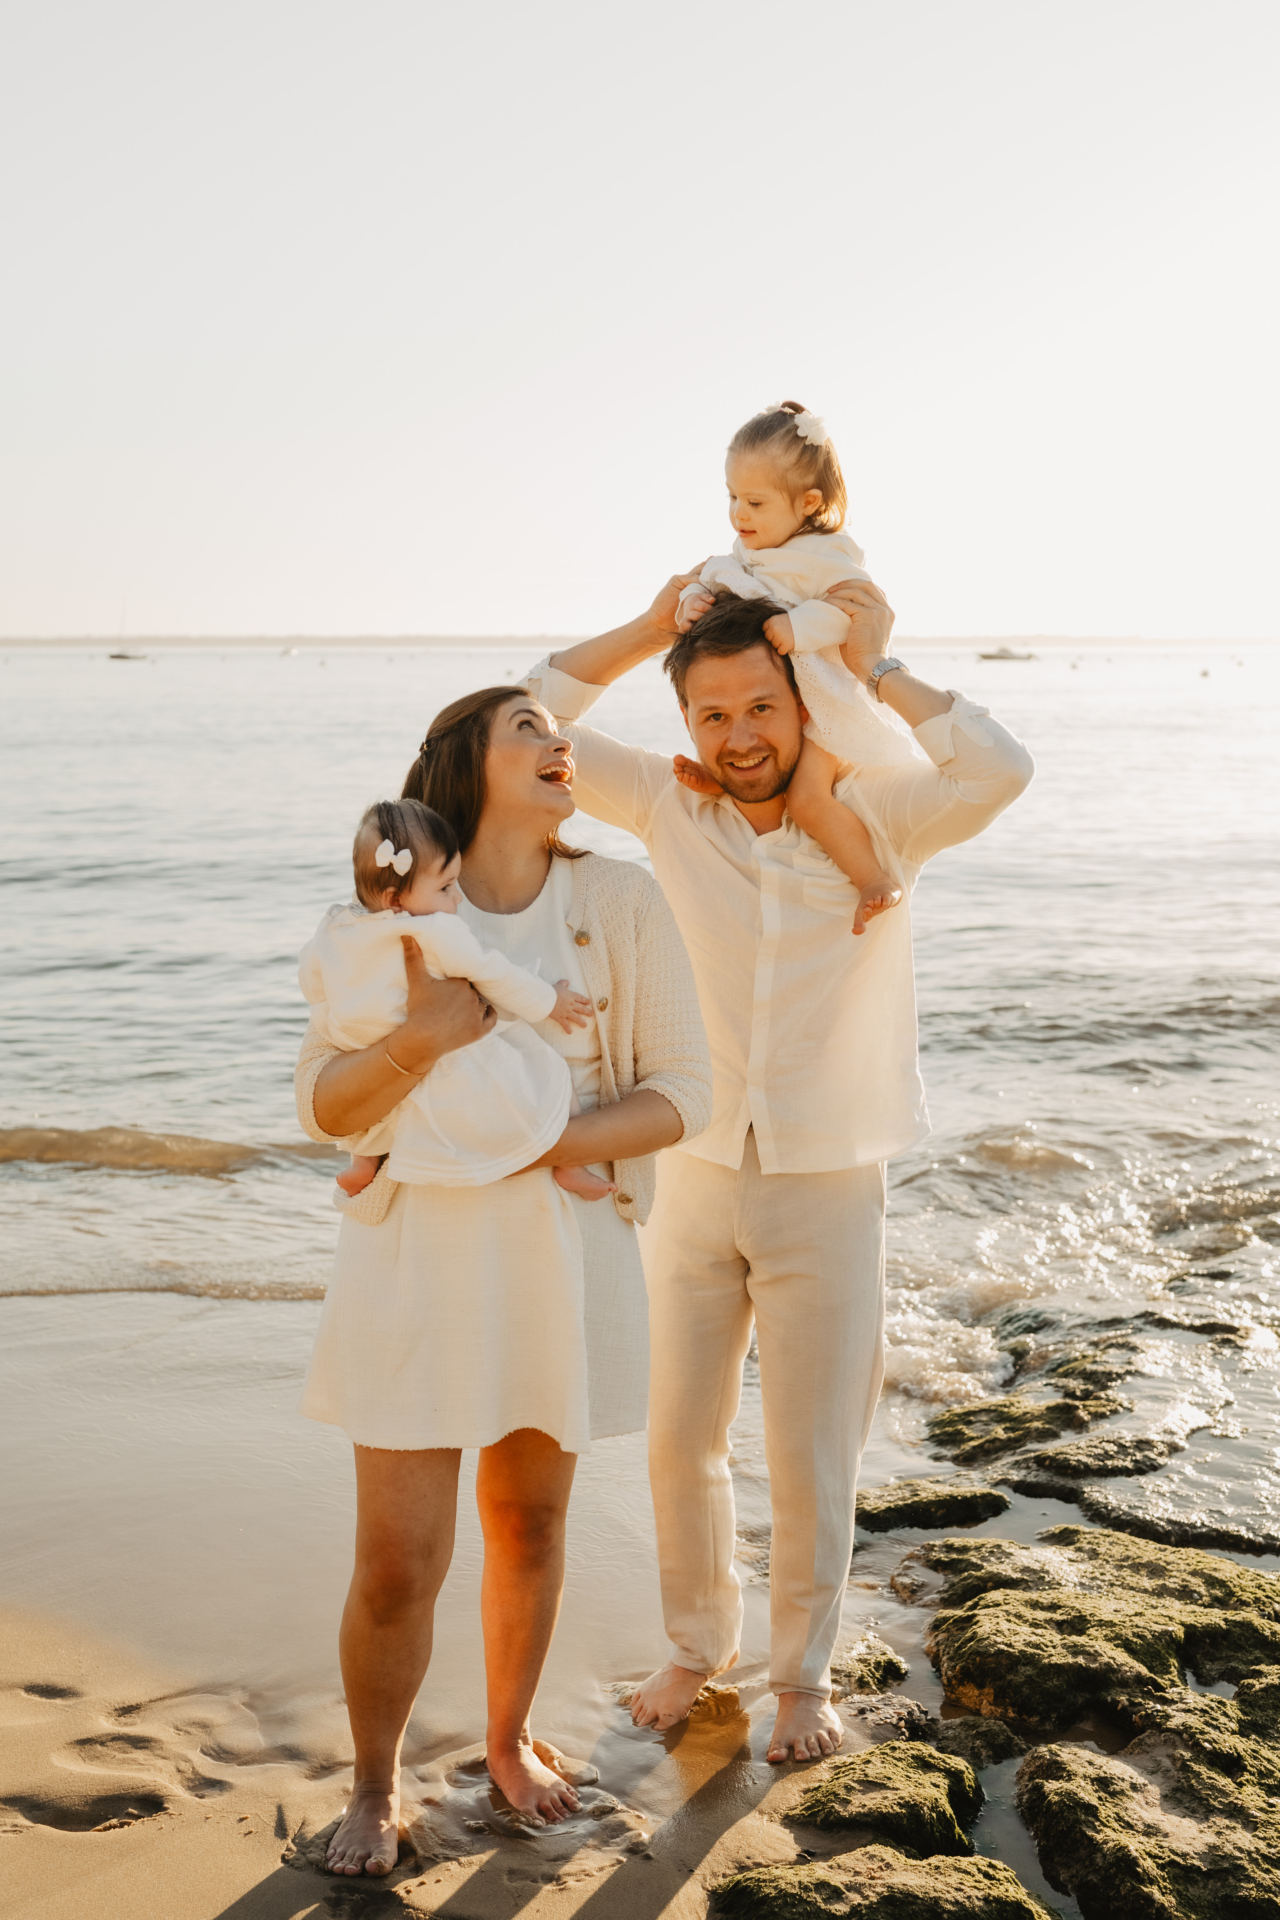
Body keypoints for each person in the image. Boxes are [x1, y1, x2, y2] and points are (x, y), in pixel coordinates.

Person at [522, 570, 1033, 1764]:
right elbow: (527, 718)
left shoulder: (882, 817)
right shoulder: (661, 806)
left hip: (827, 1180)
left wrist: (875, 665)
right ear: (684, 724)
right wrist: (650, 629)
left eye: (761, 707)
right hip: (688, 1171)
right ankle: (694, 1648)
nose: (738, 736)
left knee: (811, 1448)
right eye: (711, 714)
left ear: (799, 703)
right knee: (679, 1438)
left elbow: (999, 770)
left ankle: (799, 1680)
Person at [295, 686, 711, 1874]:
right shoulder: (388, 913)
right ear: (462, 764)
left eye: (556, 726)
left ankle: (509, 1737)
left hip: (557, 1251)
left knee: (527, 1524)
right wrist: (424, 1036)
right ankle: (372, 1787)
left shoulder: (617, 898)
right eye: (524, 724)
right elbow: (325, 1106)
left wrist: (542, 1146)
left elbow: (688, 1092)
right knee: (396, 1559)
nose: (557, 739)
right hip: (416, 1255)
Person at [674, 400, 920, 936]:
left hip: (829, 704)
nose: (740, 515)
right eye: (733, 498)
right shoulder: (748, 552)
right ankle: (726, 784)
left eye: (756, 502)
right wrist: (692, 596)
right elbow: (714, 578)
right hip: (787, 703)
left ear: (808, 503)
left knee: (807, 797)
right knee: (752, 739)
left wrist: (802, 626)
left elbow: (851, 613)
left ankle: (873, 877)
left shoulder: (826, 557)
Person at [299, 796, 612, 1203]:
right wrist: (549, 1000)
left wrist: (336, 1020)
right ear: (397, 900)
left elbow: (310, 975)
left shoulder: (338, 924)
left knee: (386, 1103)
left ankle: (363, 1164)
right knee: (545, 1069)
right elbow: (493, 972)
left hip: (357, 1036)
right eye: (446, 887)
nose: (457, 899)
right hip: (439, 1041)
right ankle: (570, 1164)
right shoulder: (435, 931)